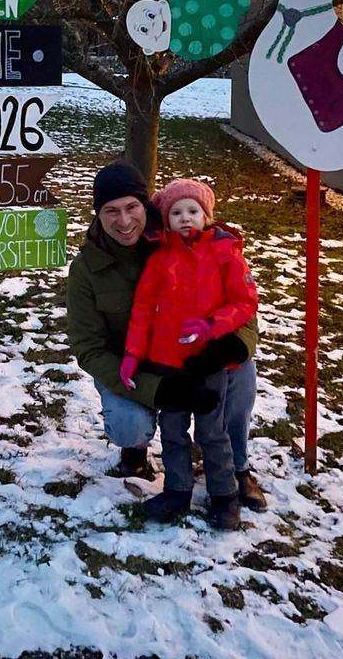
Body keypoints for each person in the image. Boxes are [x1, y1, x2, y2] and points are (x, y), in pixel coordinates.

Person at [65, 162, 267, 511]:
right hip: (136, 367)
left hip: (198, 354)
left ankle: (237, 468)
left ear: (146, 206)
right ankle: (136, 452)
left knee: (242, 373)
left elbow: (244, 308)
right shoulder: (87, 269)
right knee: (130, 424)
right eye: (111, 211)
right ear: (98, 215)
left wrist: (229, 347)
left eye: (132, 207)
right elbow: (88, 348)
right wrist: (155, 388)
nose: (124, 221)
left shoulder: (189, 239)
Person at [121, 178, 257, 530]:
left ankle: (224, 495)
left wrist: (212, 326)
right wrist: (133, 355)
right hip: (168, 363)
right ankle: (177, 489)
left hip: (207, 361)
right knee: (172, 430)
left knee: (213, 431)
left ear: (206, 216)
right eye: (176, 212)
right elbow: (142, 309)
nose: (185, 218)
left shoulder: (225, 252)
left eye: (193, 211)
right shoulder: (159, 258)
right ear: (166, 220)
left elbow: (244, 301)